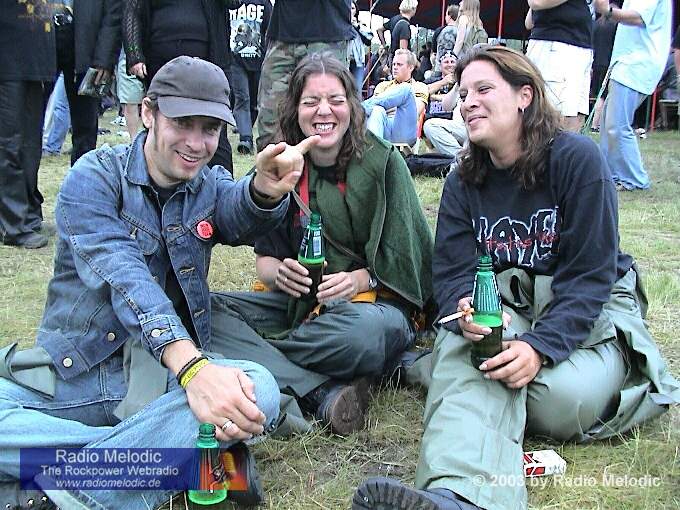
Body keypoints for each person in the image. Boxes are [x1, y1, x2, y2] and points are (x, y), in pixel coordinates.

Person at [353, 45, 679, 510]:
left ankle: (423, 368)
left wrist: (538, 348)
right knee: (480, 355)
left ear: (524, 95)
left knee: (555, 401)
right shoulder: (463, 180)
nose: (468, 101)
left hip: (590, 307)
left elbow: (590, 279)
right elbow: (452, 272)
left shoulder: (578, 161)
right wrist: (465, 309)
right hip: (506, 302)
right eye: (464, 92)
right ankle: (458, 496)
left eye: (483, 89)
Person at [0, 56, 312, 510]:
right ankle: (188, 461)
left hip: (162, 383)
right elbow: (129, 281)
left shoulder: (207, 184)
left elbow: (237, 210)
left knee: (257, 386)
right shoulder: (93, 178)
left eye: (210, 129)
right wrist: (195, 370)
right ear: (148, 113)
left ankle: (64, 486)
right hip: (80, 372)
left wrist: (262, 189)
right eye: (182, 123)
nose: (196, 143)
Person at [210, 53, 434, 436]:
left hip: (371, 312)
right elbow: (265, 261)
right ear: (296, 110)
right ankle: (323, 388)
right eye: (311, 101)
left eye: (335, 100)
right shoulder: (282, 164)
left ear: (352, 106)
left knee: (362, 337)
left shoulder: (383, 163)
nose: (324, 111)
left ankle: (272, 360)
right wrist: (280, 274)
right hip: (300, 308)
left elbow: (411, 266)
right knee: (206, 314)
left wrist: (362, 280)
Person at [123, 0, 241, 172]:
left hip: (210, 60)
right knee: (162, 126)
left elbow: (234, 3)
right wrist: (134, 54)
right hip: (160, 60)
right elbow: (132, 9)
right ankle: (154, 182)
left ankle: (221, 183)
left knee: (213, 128)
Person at [255, 0, 355, 152]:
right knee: (270, 120)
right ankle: (274, 165)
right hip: (283, 31)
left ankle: (331, 167)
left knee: (329, 116)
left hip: (329, 31)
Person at [594, 0, 672, 191]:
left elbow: (639, 17)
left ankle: (635, 179)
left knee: (617, 124)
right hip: (629, 65)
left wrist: (608, 11)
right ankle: (610, 175)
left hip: (636, 65)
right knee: (608, 122)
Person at [0, 2, 54, 250]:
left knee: (30, 145)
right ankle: (13, 225)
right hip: (7, 62)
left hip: (35, 61)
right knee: (8, 144)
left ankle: (28, 213)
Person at [44, 0, 122, 167]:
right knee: (26, 127)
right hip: (41, 41)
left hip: (87, 48)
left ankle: (83, 179)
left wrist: (104, 59)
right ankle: (23, 183)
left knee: (85, 129)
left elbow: (113, 14)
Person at [525, 0, 594, 132]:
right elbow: (536, 3)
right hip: (557, 45)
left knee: (574, 118)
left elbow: (530, 20)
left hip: (577, 46)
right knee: (555, 117)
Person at [228, 0, 273, 155]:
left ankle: (246, 130)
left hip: (259, 61)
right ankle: (245, 139)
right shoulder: (231, 3)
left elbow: (270, 30)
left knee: (254, 102)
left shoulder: (264, 4)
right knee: (242, 98)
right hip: (235, 61)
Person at [362, 49, 429, 145]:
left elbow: (416, 111)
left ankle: (359, 107)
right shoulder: (382, 85)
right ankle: (375, 151)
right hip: (382, 128)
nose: (395, 67)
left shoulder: (420, 86)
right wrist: (396, 105)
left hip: (404, 129)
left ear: (410, 67)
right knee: (377, 110)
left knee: (406, 89)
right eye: (393, 64)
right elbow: (373, 109)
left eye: (399, 64)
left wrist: (388, 106)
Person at [423, 52, 468, 157]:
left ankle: (460, 158)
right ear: (440, 65)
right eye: (446, 62)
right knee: (429, 125)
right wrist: (443, 82)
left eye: (452, 62)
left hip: (456, 123)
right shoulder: (432, 80)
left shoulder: (463, 80)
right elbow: (421, 92)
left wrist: (435, 96)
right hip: (435, 118)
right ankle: (461, 157)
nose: (450, 64)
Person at [348, 1, 373, 96]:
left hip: (357, 61)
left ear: (356, 11)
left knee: (357, 89)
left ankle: (356, 105)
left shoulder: (360, 25)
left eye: (353, 8)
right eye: (349, 8)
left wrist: (356, 26)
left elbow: (369, 38)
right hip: (343, 60)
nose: (350, 10)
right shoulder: (340, 25)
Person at [433, 4, 459, 77]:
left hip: (440, 70)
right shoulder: (461, 32)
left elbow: (435, 52)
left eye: (446, 15)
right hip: (455, 69)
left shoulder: (441, 31)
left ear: (449, 16)